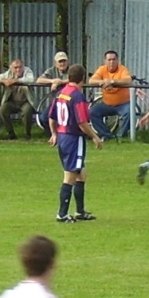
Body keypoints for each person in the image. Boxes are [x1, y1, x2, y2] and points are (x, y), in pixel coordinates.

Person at [48, 64, 103, 222]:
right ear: (83, 78)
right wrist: (95, 136)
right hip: (73, 138)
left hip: (62, 136)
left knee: (81, 174)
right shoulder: (78, 96)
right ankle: (62, 214)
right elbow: (82, 122)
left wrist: (53, 133)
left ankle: (80, 211)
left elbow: (51, 116)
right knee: (70, 175)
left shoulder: (61, 93)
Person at [88, 50, 132, 141]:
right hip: (106, 104)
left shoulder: (122, 69)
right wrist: (102, 82)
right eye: (109, 60)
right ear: (105, 61)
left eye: (114, 59)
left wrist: (112, 82)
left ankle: (120, 137)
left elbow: (128, 80)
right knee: (92, 112)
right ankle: (107, 135)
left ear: (117, 60)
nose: (111, 62)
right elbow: (91, 81)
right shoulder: (102, 69)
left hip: (123, 104)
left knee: (129, 112)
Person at [0, 59, 36, 140]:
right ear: (11, 68)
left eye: (20, 67)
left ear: (23, 66)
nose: (18, 69)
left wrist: (15, 81)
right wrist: (3, 81)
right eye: (15, 67)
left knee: (27, 111)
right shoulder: (8, 74)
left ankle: (27, 134)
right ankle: (11, 134)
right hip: (12, 102)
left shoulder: (28, 71)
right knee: (2, 110)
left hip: (26, 102)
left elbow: (31, 79)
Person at [36, 52, 71, 136]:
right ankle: (53, 135)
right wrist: (52, 81)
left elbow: (76, 79)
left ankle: (66, 135)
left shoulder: (72, 70)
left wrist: (60, 82)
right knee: (43, 118)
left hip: (70, 102)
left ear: (67, 62)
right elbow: (39, 80)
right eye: (60, 61)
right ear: (55, 63)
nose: (62, 63)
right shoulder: (51, 70)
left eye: (64, 61)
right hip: (56, 101)